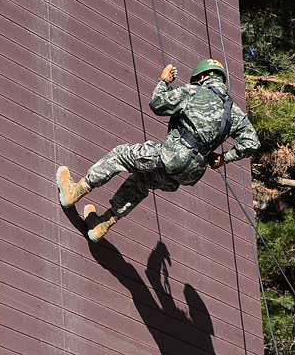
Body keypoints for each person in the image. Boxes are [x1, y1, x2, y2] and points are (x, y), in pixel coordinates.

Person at [56, 58, 259, 241]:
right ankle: (102, 224)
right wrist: (224, 158)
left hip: (174, 155)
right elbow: (252, 143)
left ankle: (75, 192)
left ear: (202, 77)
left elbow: (157, 104)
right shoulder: (234, 112)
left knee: (121, 155)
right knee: (142, 179)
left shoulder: (194, 91)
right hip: (192, 172)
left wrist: (163, 81)